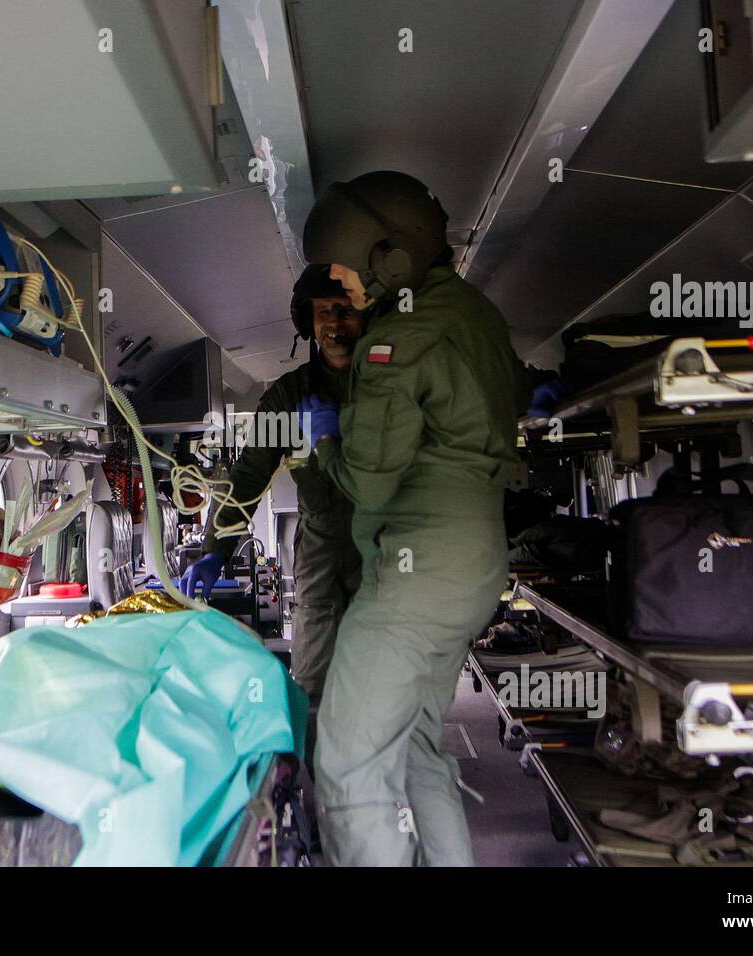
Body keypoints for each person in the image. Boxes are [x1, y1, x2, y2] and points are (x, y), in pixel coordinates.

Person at [298, 170, 527, 866]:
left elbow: (369, 481)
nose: (343, 284)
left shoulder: (397, 340)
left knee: (348, 768)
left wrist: (327, 440)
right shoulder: (476, 314)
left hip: (416, 579)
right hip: (474, 567)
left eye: (346, 267)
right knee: (421, 748)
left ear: (389, 257)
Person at [179, 265, 364, 754]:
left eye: (344, 311)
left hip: (386, 545)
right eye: (324, 313)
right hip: (322, 548)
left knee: (385, 683)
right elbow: (250, 475)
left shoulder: (391, 380)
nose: (335, 324)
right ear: (309, 323)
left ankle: (388, 798)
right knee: (315, 680)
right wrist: (215, 547)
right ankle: (325, 799)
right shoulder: (290, 395)